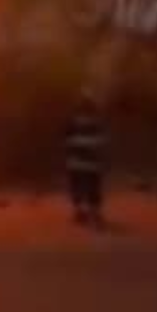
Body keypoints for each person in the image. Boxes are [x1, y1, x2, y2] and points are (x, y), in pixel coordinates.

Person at [65, 93, 107, 227]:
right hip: (92, 164)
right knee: (93, 188)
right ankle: (94, 213)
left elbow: (66, 142)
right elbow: (102, 143)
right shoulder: (97, 124)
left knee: (76, 187)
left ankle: (79, 212)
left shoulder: (71, 123)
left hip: (75, 163)